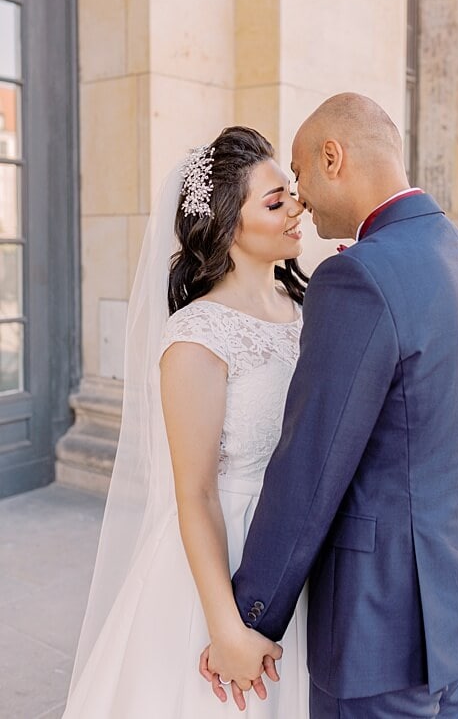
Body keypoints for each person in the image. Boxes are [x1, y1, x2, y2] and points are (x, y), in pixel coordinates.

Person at [201, 93, 458, 719]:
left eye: (301, 172)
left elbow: (310, 466)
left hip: (380, 629)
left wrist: (251, 619)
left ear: (333, 156)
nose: (299, 198)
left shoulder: (359, 278)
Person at [65, 126, 312, 717]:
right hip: (221, 555)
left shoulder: (306, 309)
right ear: (227, 226)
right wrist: (224, 628)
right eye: (275, 202)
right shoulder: (198, 334)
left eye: (293, 195)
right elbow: (194, 492)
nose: (297, 209)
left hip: (293, 551)